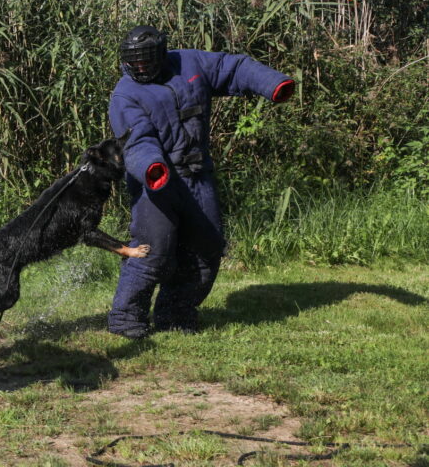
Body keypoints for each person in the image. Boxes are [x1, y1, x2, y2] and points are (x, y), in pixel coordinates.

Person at [107, 26, 294, 338]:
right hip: (156, 182)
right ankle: (126, 320)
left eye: (145, 62)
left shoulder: (189, 63)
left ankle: (175, 315)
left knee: (206, 249)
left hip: (198, 177)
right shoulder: (125, 94)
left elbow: (232, 67)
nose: (139, 68)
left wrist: (273, 84)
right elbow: (136, 141)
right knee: (151, 251)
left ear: (160, 55)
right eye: (133, 63)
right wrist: (152, 168)